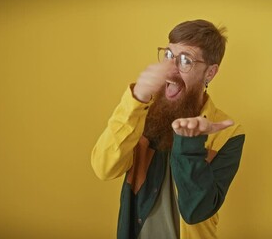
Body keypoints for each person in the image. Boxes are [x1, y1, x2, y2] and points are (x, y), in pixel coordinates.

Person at [91, 19, 246, 239]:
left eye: (185, 60)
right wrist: (135, 99)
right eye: (168, 55)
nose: (170, 69)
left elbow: (196, 211)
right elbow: (104, 168)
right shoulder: (140, 111)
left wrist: (190, 143)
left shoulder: (228, 135)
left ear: (210, 73)